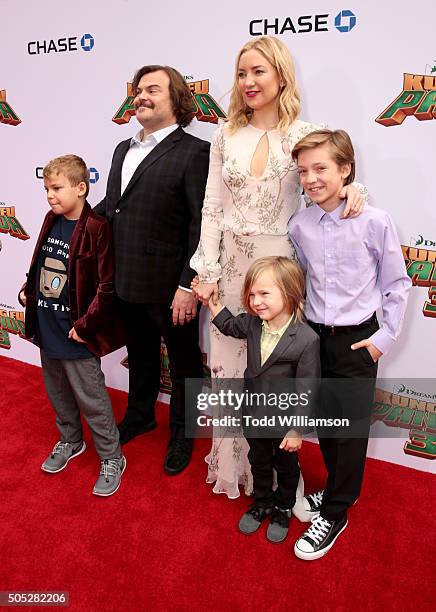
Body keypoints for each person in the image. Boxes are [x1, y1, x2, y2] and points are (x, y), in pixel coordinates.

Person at [190, 36, 366, 505]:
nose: (248, 82)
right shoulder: (224, 134)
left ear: (281, 75)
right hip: (230, 272)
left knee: (277, 373)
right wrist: (206, 268)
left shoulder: (305, 132)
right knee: (231, 371)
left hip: (284, 273)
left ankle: (281, 482)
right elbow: (211, 206)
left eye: (258, 72)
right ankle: (239, 473)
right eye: (242, 73)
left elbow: (327, 178)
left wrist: (355, 190)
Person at [288, 129, 411, 559]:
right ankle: (342, 491)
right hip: (315, 339)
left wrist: (383, 339)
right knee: (326, 424)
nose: (311, 178)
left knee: (350, 430)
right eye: (303, 171)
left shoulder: (375, 221)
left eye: (321, 168)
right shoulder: (299, 225)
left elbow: (397, 284)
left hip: (359, 341)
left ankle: (336, 512)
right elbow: (302, 281)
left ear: (346, 170)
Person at [94, 65, 210, 475]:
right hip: (125, 278)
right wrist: (69, 228)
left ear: (176, 99)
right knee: (140, 354)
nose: (141, 96)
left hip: (170, 286)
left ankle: (184, 433)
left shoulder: (195, 152)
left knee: (184, 365)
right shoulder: (122, 149)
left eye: (153, 90)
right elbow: (111, 207)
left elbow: (201, 223)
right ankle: (141, 415)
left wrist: (187, 285)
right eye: (138, 90)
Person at [18, 155, 126, 497]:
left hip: (76, 333)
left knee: (92, 398)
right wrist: (28, 289)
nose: (50, 195)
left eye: (57, 188)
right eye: (46, 188)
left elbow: (106, 286)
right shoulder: (52, 220)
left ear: (81, 188)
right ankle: (70, 440)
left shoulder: (96, 228)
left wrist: (85, 325)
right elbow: (40, 261)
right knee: (59, 394)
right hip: (47, 327)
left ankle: (112, 456)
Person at [200, 256, 320, 543]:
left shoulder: (306, 339)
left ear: (290, 292)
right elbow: (229, 325)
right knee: (259, 460)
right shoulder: (253, 325)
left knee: (287, 468)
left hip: (284, 421)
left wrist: (296, 429)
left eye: (264, 293)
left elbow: (308, 388)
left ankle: (283, 508)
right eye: (252, 294)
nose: (256, 301)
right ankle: (263, 501)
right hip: (253, 414)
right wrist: (213, 303)